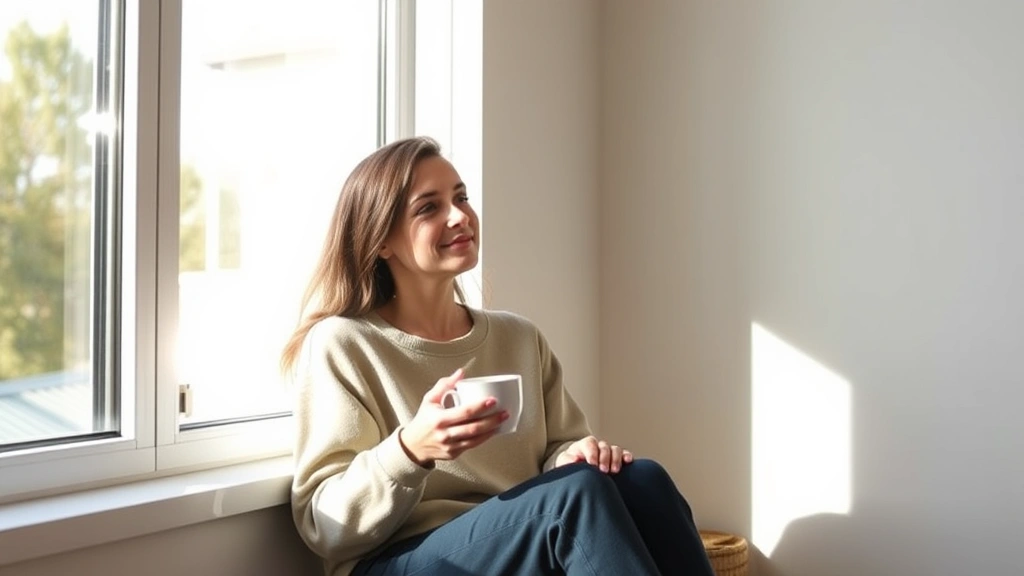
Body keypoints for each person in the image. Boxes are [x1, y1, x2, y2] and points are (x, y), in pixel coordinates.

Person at [281, 137, 715, 576]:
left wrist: (573, 454)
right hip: (398, 560)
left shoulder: (518, 337)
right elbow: (324, 524)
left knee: (644, 480)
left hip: (516, 538)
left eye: (461, 197)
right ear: (381, 242)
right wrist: (411, 449)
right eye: (429, 208)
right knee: (572, 500)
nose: (459, 216)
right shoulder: (342, 342)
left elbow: (560, 447)